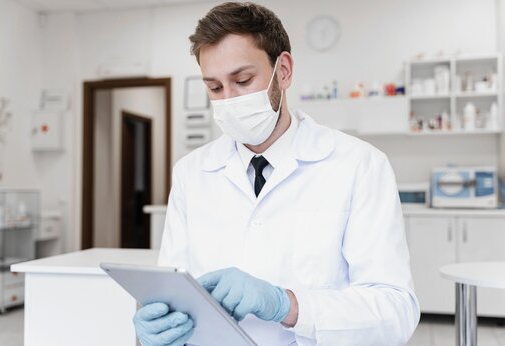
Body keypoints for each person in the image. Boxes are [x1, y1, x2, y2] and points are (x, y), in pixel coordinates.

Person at [133, 2, 420, 345]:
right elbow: (174, 288)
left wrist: (287, 305)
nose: (229, 100)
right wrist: (160, 325)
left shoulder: (359, 165)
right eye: (214, 87)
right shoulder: (191, 173)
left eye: (242, 80)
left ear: (282, 71)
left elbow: (396, 312)